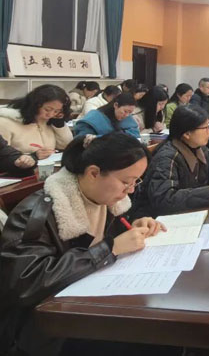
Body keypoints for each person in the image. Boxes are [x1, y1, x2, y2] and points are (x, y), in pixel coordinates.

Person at [0, 132, 165, 355]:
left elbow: (112, 236)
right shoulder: (37, 213)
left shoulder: (107, 200)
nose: (131, 190)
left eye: (136, 181)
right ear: (93, 173)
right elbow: (25, 282)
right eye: (126, 182)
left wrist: (134, 226)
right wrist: (110, 248)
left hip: (89, 306)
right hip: (46, 331)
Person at [134, 105, 209, 218]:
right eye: (205, 128)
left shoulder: (199, 147)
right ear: (187, 134)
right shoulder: (167, 158)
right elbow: (165, 198)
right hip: (159, 220)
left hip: (189, 213)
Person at [0, 85, 72, 159]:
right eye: (47, 109)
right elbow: (3, 156)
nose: (50, 114)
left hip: (48, 164)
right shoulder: (5, 122)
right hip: (18, 165)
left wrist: (59, 124)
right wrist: (32, 157)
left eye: (56, 111)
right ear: (35, 105)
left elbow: (66, 146)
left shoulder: (50, 120)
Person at [73, 93, 140, 138]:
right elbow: (83, 138)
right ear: (116, 105)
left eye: (130, 112)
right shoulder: (94, 117)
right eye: (125, 111)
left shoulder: (127, 117)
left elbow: (135, 135)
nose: (127, 115)